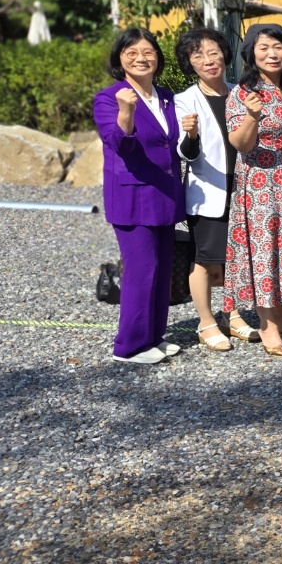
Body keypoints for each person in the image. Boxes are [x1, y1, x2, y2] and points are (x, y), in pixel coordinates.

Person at [225, 24, 282, 357]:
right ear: (252, 53)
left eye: (278, 47)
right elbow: (240, 143)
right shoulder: (243, 92)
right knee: (264, 253)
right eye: (263, 48)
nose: (272, 54)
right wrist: (252, 116)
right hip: (259, 185)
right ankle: (267, 325)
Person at [94, 29, 185, 364]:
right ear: (120, 59)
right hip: (133, 196)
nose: (141, 58)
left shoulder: (166, 97)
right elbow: (117, 143)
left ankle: (153, 337)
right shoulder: (109, 97)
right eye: (131, 52)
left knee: (161, 268)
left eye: (148, 52)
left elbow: (171, 142)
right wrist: (125, 112)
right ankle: (129, 346)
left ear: (157, 57)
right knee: (141, 269)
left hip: (164, 192)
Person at [174, 27, 241, 352]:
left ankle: (234, 314)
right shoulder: (184, 100)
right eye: (198, 55)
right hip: (208, 191)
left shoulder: (239, 92)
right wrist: (192, 135)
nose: (208, 60)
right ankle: (206, 322)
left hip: (242, 188)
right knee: (204, 257)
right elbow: (184, 153)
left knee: (237, 256)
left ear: (225, 55)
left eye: (213, 52)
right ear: (190, 63)